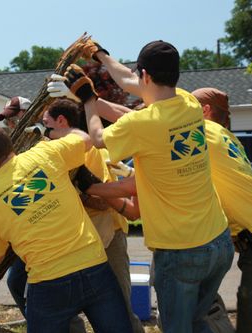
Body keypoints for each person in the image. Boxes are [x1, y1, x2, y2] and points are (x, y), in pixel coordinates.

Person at [52, 40, 234, 333]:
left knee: (177, 327)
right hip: (218, 241)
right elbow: (127, 85)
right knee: (200, 321)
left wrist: (87, 99)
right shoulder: (187, 102)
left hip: (181, 251)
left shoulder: (143, 124)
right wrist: (100, 54)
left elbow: (98, 137)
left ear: (145, 75)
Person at [0, 124, 133, 333]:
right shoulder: (44, 153)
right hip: (94, 266)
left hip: (48, 282)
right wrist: (51, 132)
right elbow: (85, 139)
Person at [43, 99, 144, 333]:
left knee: (120, 309)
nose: (43, 130)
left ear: (61, 121)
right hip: (81, 240)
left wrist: (78, 193)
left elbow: (102, 203)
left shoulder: (87, 150)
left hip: (109, 239)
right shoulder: (56, 152)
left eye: (46, 124)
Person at [0, 97, 86, 333]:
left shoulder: (50, 142)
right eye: (7, 121)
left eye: (14, 119)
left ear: (31, 115)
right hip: (26, 231)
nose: (11, 125)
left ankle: (68, 327)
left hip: (54, 229)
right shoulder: (12, 147)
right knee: (16, 282)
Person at [192, 87, 252, 333]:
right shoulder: (228, 138)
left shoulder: (204, 131)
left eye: (188, 109)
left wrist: (92, 102)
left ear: (204, 111)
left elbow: (152, 122)